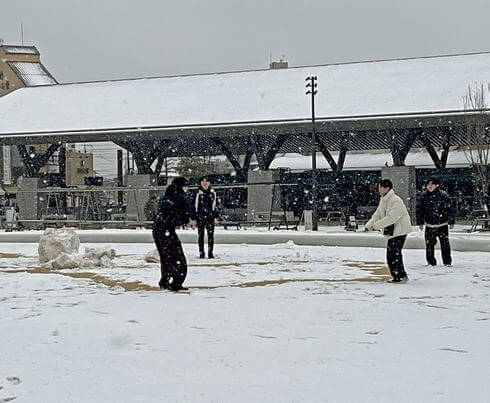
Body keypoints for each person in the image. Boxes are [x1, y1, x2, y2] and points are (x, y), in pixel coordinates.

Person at [364, 179, 412, 283]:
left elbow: (391, 218)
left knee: (394, 253)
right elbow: (377, 213)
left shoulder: (396, 200)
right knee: (392, 254)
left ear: (387, 188)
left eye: (380, 188)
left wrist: (375, 226)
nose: (379, 190)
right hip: (393, 231)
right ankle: (398, 276)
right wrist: (369, 224)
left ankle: (400, 276)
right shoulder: (384, 200)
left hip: (400, 231)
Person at [152, 177, 195, 291]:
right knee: (177, 257)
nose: (187, 189)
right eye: (186, 186)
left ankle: (164, 281)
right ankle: (176, 282)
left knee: (165, 256)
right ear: (182, 186)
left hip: (157, 229)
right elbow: (183, 216)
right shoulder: (181, 198)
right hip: (167, 230)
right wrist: (188, 221)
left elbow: (163, 213)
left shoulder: (166, 196)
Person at [416, 178, 455, 266]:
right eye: (428, 184)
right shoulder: (423, 196)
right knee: (429, 245)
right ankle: (431, 262)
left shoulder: (443, 195)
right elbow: (419, 210)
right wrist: (420, 221)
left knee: (445, 244)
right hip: (429, 225)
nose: (430, 186)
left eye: (432, 184)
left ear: (437, 185)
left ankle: (447, 262)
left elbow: (449, 209)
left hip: (442, 224)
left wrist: (451, 220)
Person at [190, 176, 220, 258]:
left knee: (211, 236)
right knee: (201, 236)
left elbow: (216, 206)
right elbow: (192, 206)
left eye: (206, 181)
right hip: (200, 217)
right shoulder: (197, 193)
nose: (205, 183)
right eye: (203, 181)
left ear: (209, 183)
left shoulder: (213, 193)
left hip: (210, 217)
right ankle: (201, 253)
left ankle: (210, 253)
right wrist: (193, 218)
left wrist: (216, 217)